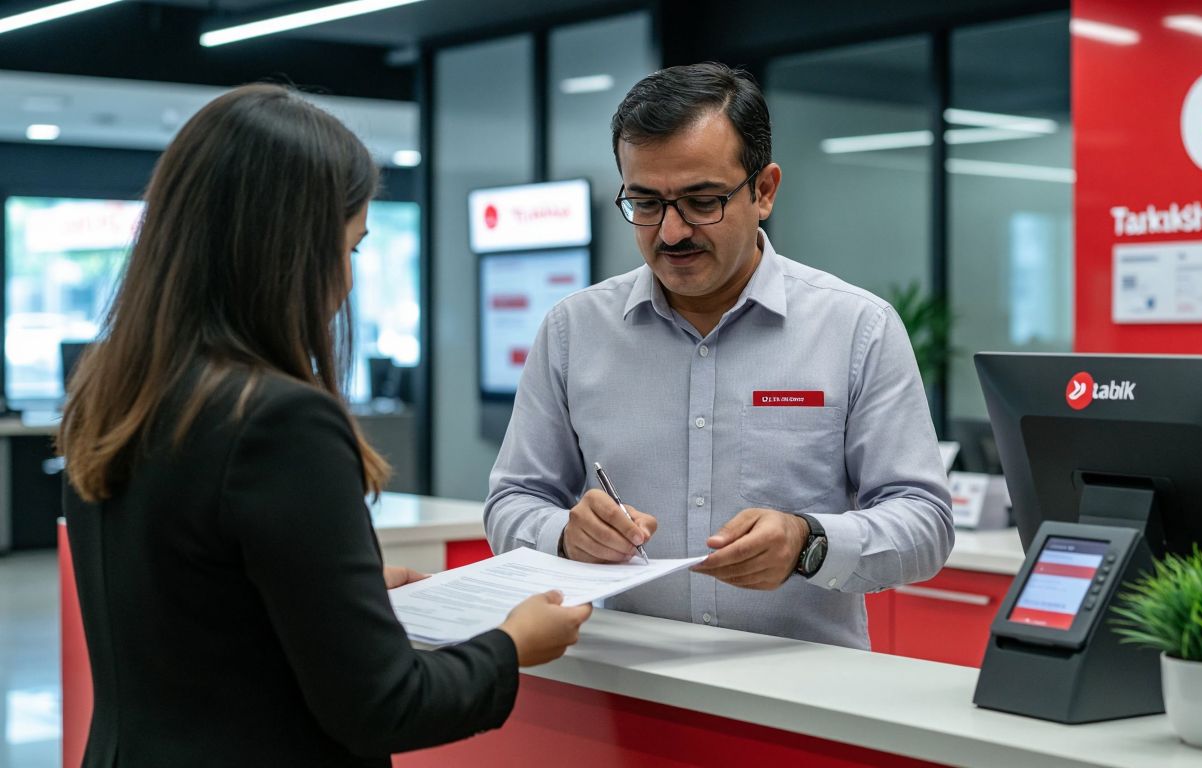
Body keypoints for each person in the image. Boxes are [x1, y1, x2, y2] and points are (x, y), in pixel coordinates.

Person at [58, 84, 591, 767]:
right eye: (352, 249)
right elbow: (386, 706)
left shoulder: (113, 397)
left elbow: (195, 610)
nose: (345, 281)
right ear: (289, 251)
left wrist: (341, 592)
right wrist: (514, 644)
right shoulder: (280, 423)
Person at [484, 63, 953, 649]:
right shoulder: (574, 331)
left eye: (702, 201)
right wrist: (562, 534)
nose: (672, 232)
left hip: (805, 695)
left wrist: (810, 543)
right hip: (628, 684)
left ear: (764, 191)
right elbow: (510, 501)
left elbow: (926, 522)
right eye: (646, 202)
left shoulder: (857, 328)